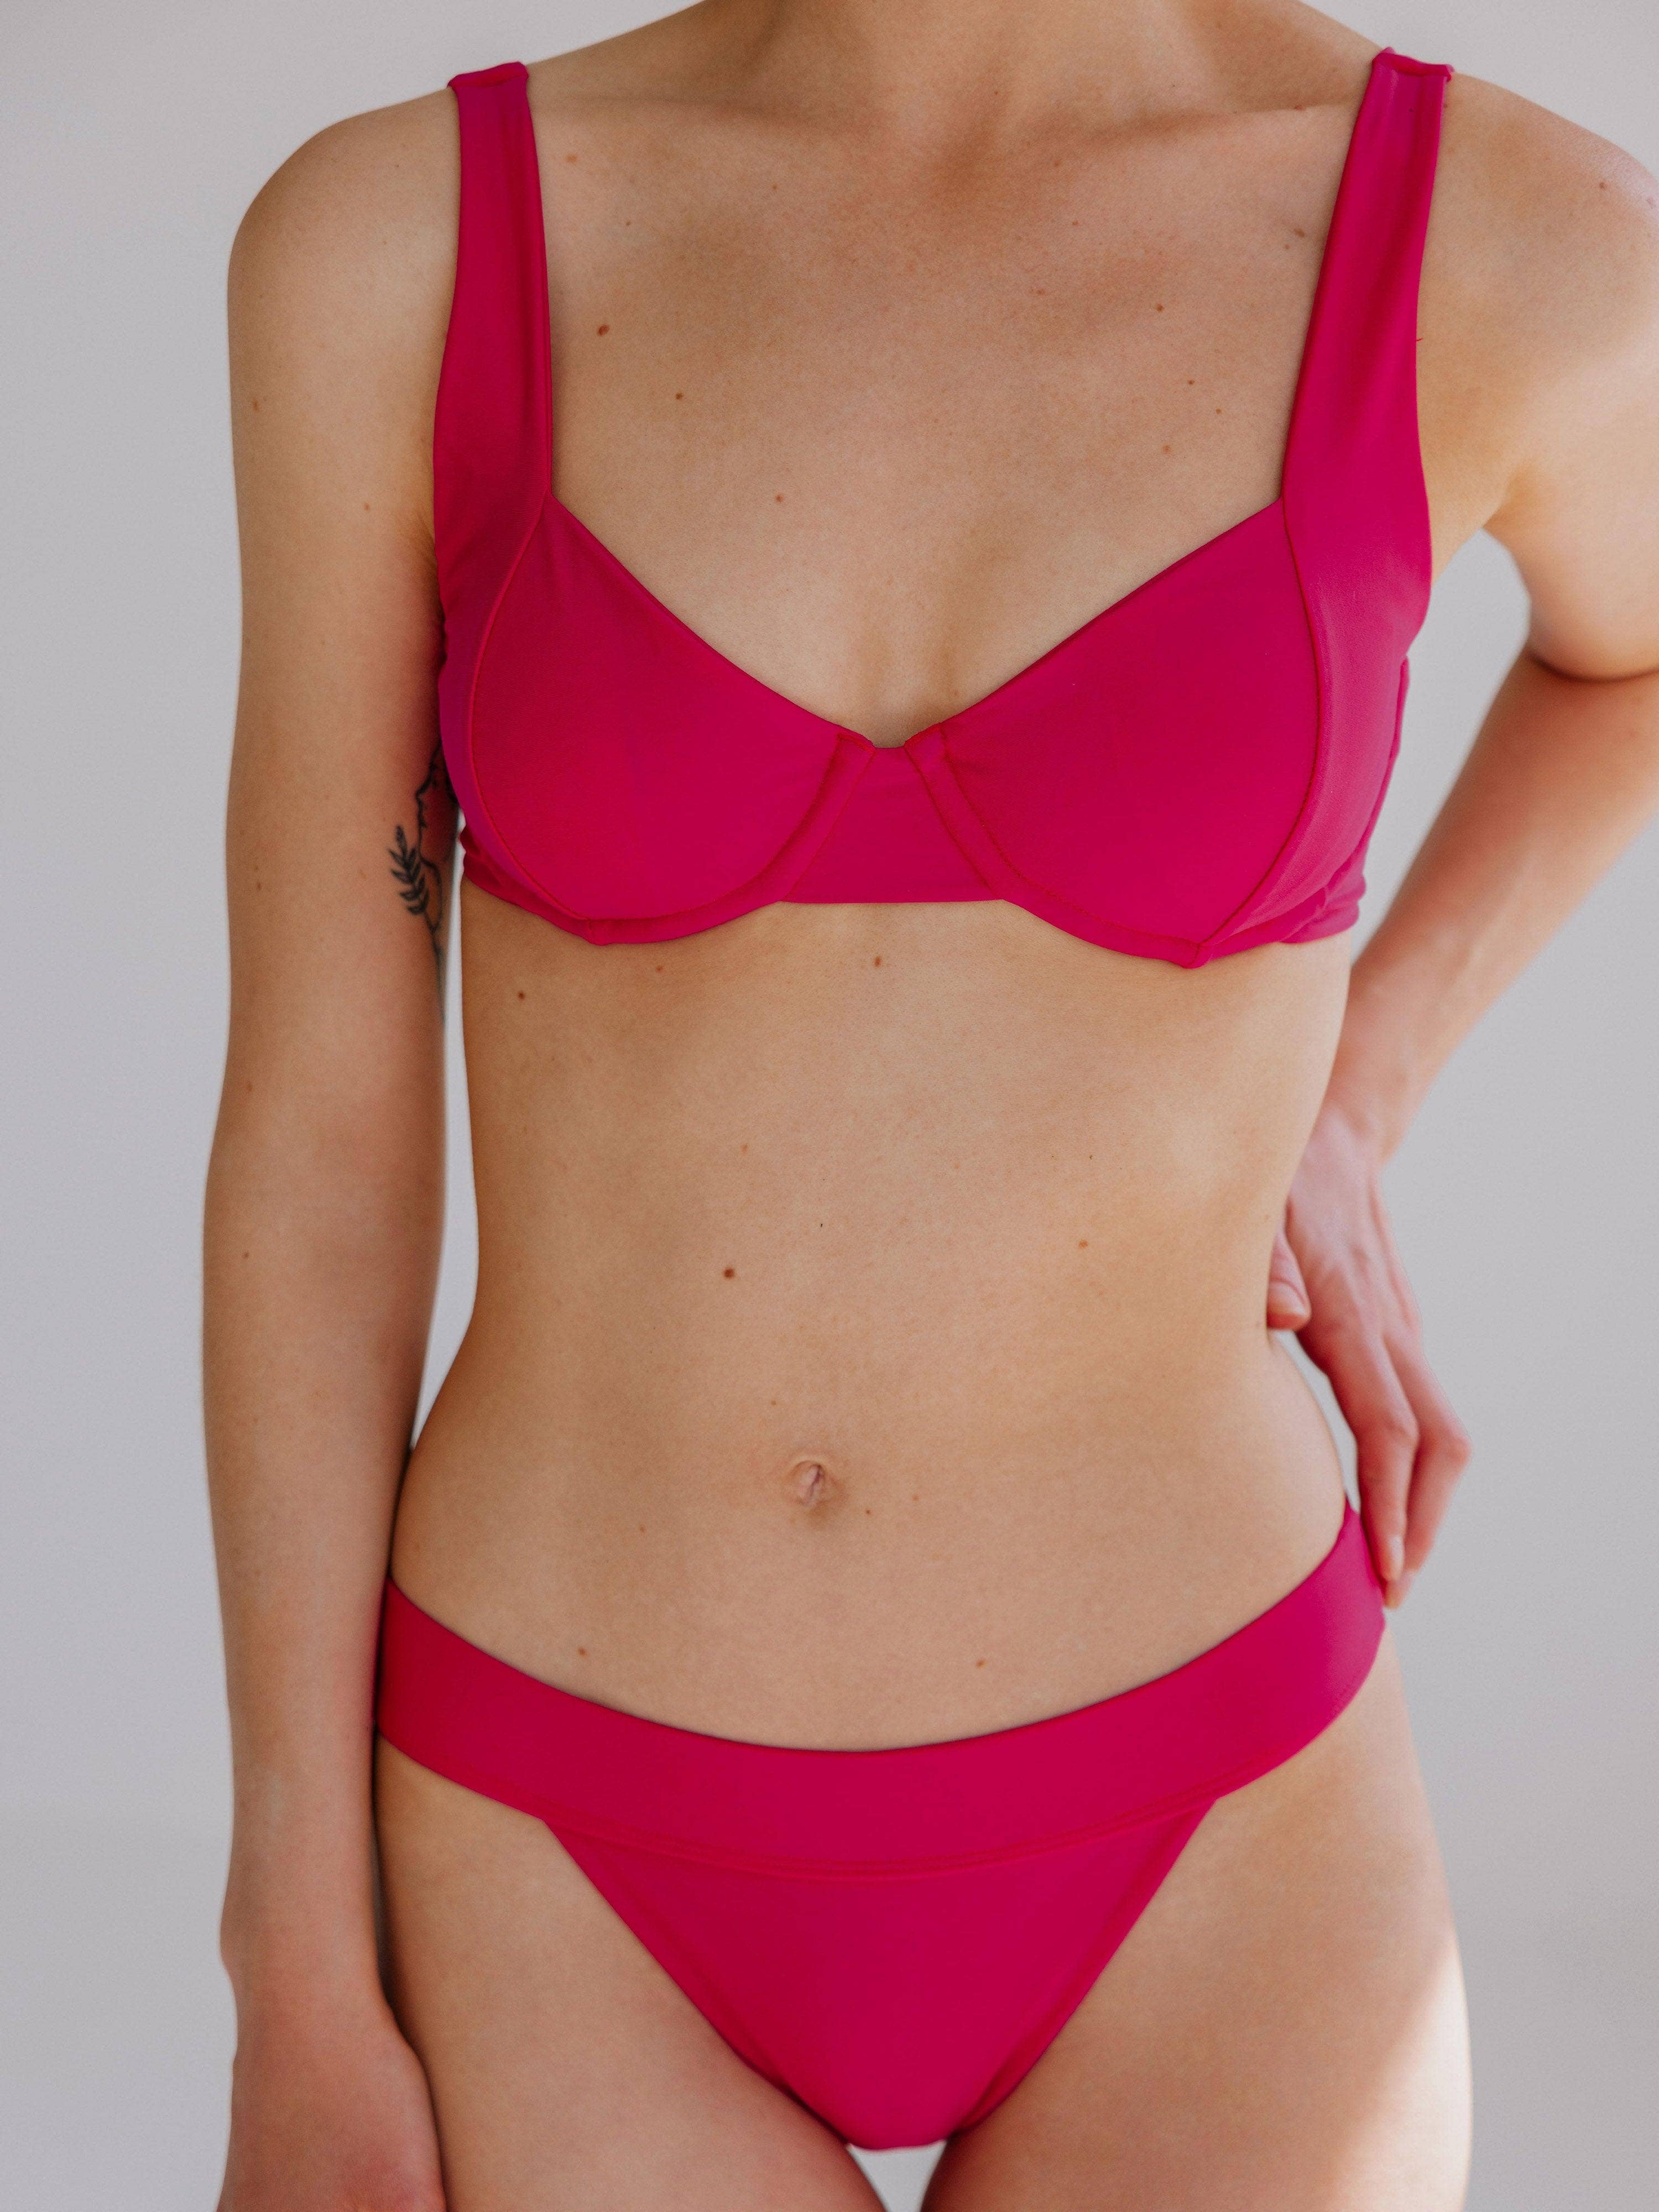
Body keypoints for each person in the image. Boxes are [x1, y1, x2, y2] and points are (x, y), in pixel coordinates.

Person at [204, 4, 1659, 2206]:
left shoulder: (1511, 241)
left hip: (1222, 1824)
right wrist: (295, 1959)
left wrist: (1355, 1088)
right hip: (545, 1850)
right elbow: (323, 1155)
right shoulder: (400, 243)